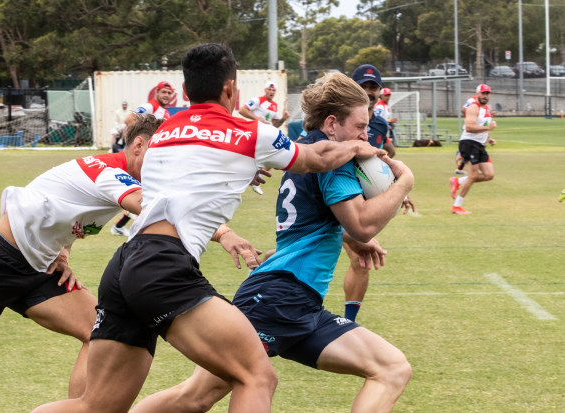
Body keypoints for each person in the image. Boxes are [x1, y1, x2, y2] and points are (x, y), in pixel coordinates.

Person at [31, 43, 384, 413]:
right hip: (164, 267)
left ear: (185, 92)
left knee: (96, 405)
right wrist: (362, 149)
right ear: (231, 89)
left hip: (123, 266)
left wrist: (240, 171)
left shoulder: (165, 132)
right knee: (257, 377)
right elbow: (318, 157)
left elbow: (194, 173)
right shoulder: (249, 131)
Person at [129, 71, 413, 413]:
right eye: (359, 127)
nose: (365, 136)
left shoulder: (306, 152)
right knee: (196, 395)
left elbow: (320, 225)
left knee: (392, 368)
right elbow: (363, 223)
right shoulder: (334, 162)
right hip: (278, 299)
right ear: (333, 123)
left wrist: (352, 243)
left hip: (300, 303)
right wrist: (403, 184)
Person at [0, 115, 160, 399]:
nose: (164, 167)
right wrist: (220, 233)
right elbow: (149, 208)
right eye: (161, 156)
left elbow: (57, 205)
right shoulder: (111, 173)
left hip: (40, 270)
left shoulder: (112, 173)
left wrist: (62, 253)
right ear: (139, 145)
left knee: (98, 330)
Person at [342, 64, 416, 321]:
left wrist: (396, 190)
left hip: (360, 200)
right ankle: (347, 326)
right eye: (363, 86)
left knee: (317, 247)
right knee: (358, 257)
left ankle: (348, 323)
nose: (369, 91)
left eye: (373, 87)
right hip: (337, 196)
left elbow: (381, 158)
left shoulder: (380, 124)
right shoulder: (340, 120)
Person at [111, 81, 175, 235]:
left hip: (155, 158)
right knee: (143, 194)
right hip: (143, 157)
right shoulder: (150, 106)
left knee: (146, 194)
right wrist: (138, 141)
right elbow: (129, 120)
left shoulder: (165, 113)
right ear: (157, 92)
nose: (166, 96)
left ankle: (120, 226)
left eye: (169, 93)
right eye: (163, 92)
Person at [449, 83, 497, 215]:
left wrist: (489, 138)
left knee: (489, 175)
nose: (485, 96)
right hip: (469, 143)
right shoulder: (473, 107)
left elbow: (482, 126)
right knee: (474, 175)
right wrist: (489, 128)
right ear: (477, 94)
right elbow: (470, 127)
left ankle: (458, 181)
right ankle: (457, 206)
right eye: (483, 93)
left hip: (480, 145)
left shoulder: (486, 109)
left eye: (487, 94)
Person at [239, 81, 290, 195]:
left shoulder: (274, 105)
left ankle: (256, 178)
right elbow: (242, 110)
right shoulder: (257, 100)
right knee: (274, 154)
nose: (271, 92)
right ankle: (252, 179)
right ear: (265, 90)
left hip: (265, 135)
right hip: (255, 134)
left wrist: (283, 118)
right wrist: (256, 118)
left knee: (276, 154)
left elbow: (275, 124)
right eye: (269, 89)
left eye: (273, 90)